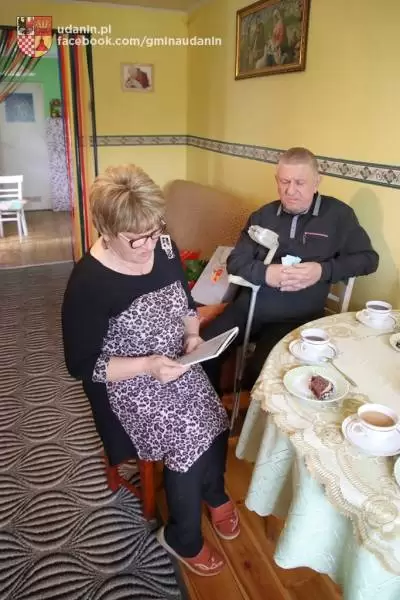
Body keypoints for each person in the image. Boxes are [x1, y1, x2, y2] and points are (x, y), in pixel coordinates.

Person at [61, 164, 240, 577]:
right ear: (106, 230)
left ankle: (214, 493)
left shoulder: (164, 245)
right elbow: (82, 364)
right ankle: (181, 537)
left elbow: (185, 305)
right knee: (187, 435)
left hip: (176, 362)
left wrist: (192, 335)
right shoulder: (88, 282)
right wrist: (147, 365)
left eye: (154, 231)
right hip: (129, 381)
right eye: (135, 238)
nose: (148, 245)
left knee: (214, 415)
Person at [201, 147, 379, 393]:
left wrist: (322, 270)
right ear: (277, 180)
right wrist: (266, 273)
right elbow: (236, 261)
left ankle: (249, 415)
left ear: (317, 182)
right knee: (202, 353)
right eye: (284, 182)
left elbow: (369, 260)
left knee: (261, 372)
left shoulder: (338, 216)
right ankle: (210, 411)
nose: (290, 190)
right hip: (249, 308)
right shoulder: (263, 215)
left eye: (299, 183)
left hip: (295, 317)